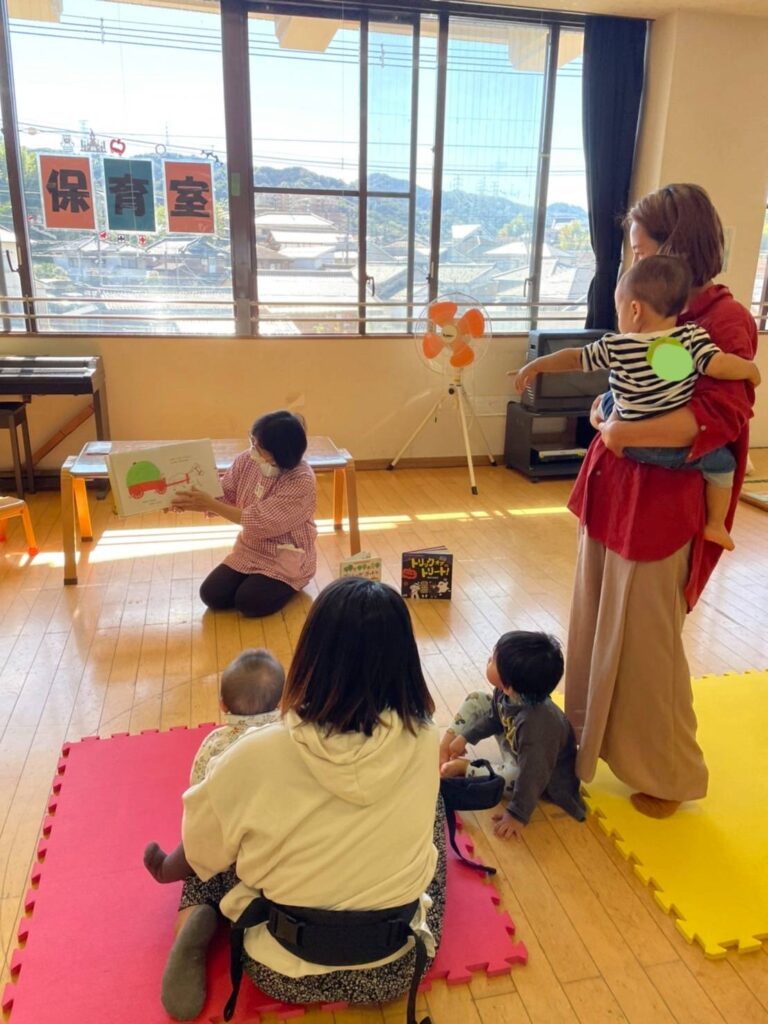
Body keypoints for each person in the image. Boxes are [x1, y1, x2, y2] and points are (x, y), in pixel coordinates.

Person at [149, 577, 443, 1022]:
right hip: (394, 967)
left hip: (281, 967)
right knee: (434, 813)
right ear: (406, 660)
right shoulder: (425, 738)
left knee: (218, 843)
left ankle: (194, 917)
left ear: (310, 657)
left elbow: (198, 849)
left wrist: (169, 867)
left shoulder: (253, 753)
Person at [564, 183, 758, 819]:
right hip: (612, 490)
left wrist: (622, 432)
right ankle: (583, 742)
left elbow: (715, 418)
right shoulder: (647, 309)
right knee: (593, 621)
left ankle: (668, 772)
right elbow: (627, 379)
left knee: (649, 645)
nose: (633, 255)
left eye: (639, 244)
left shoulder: (721, 321)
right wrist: (607, 414)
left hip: (660, 506)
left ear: (672, 245)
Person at [513, 255, 760, 550]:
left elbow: (574, 359)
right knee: (724, 463)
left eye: (618, 309)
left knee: (607, 398)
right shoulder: (692, 336)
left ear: (634, 309)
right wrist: (750, 371)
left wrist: (536, 365)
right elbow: (718, 365)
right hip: (668, 448)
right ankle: (716, 526)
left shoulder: (617, 345)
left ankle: (608, 424)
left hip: (631, 442)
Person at [144, 648, 285, 901]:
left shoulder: (215, 743)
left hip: (225, 845)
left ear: (222, 704)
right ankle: (245, 906)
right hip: (275, 848)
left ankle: (168, 873)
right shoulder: (287, 736)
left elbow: (197, 792)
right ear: (280, 702)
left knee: (196, 846)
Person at [439, 631, 585, 840]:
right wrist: (466, 737)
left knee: (511, 777)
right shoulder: (508, 693)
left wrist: (517, 814)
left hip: (538, 775)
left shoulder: (538, 725)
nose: (489, 659)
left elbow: (533, 775)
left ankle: (466, 768)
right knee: (477, 699)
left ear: (508, 686)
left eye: (493, 660)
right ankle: (444, 748)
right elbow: (495, 718)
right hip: (517, 743)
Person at [171, 410, 316, 618]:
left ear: (280, 452)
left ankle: (296, 580)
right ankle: (254, 580)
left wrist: (209, 503)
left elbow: (261, 521)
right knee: (211, 595)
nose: (253, 449)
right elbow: (224, 493)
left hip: (286, 553)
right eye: (252, 441)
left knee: (249, 602)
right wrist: (185, 500)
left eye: (259, 446)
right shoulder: (247, 460)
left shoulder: (301, 480)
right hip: (250, 548)